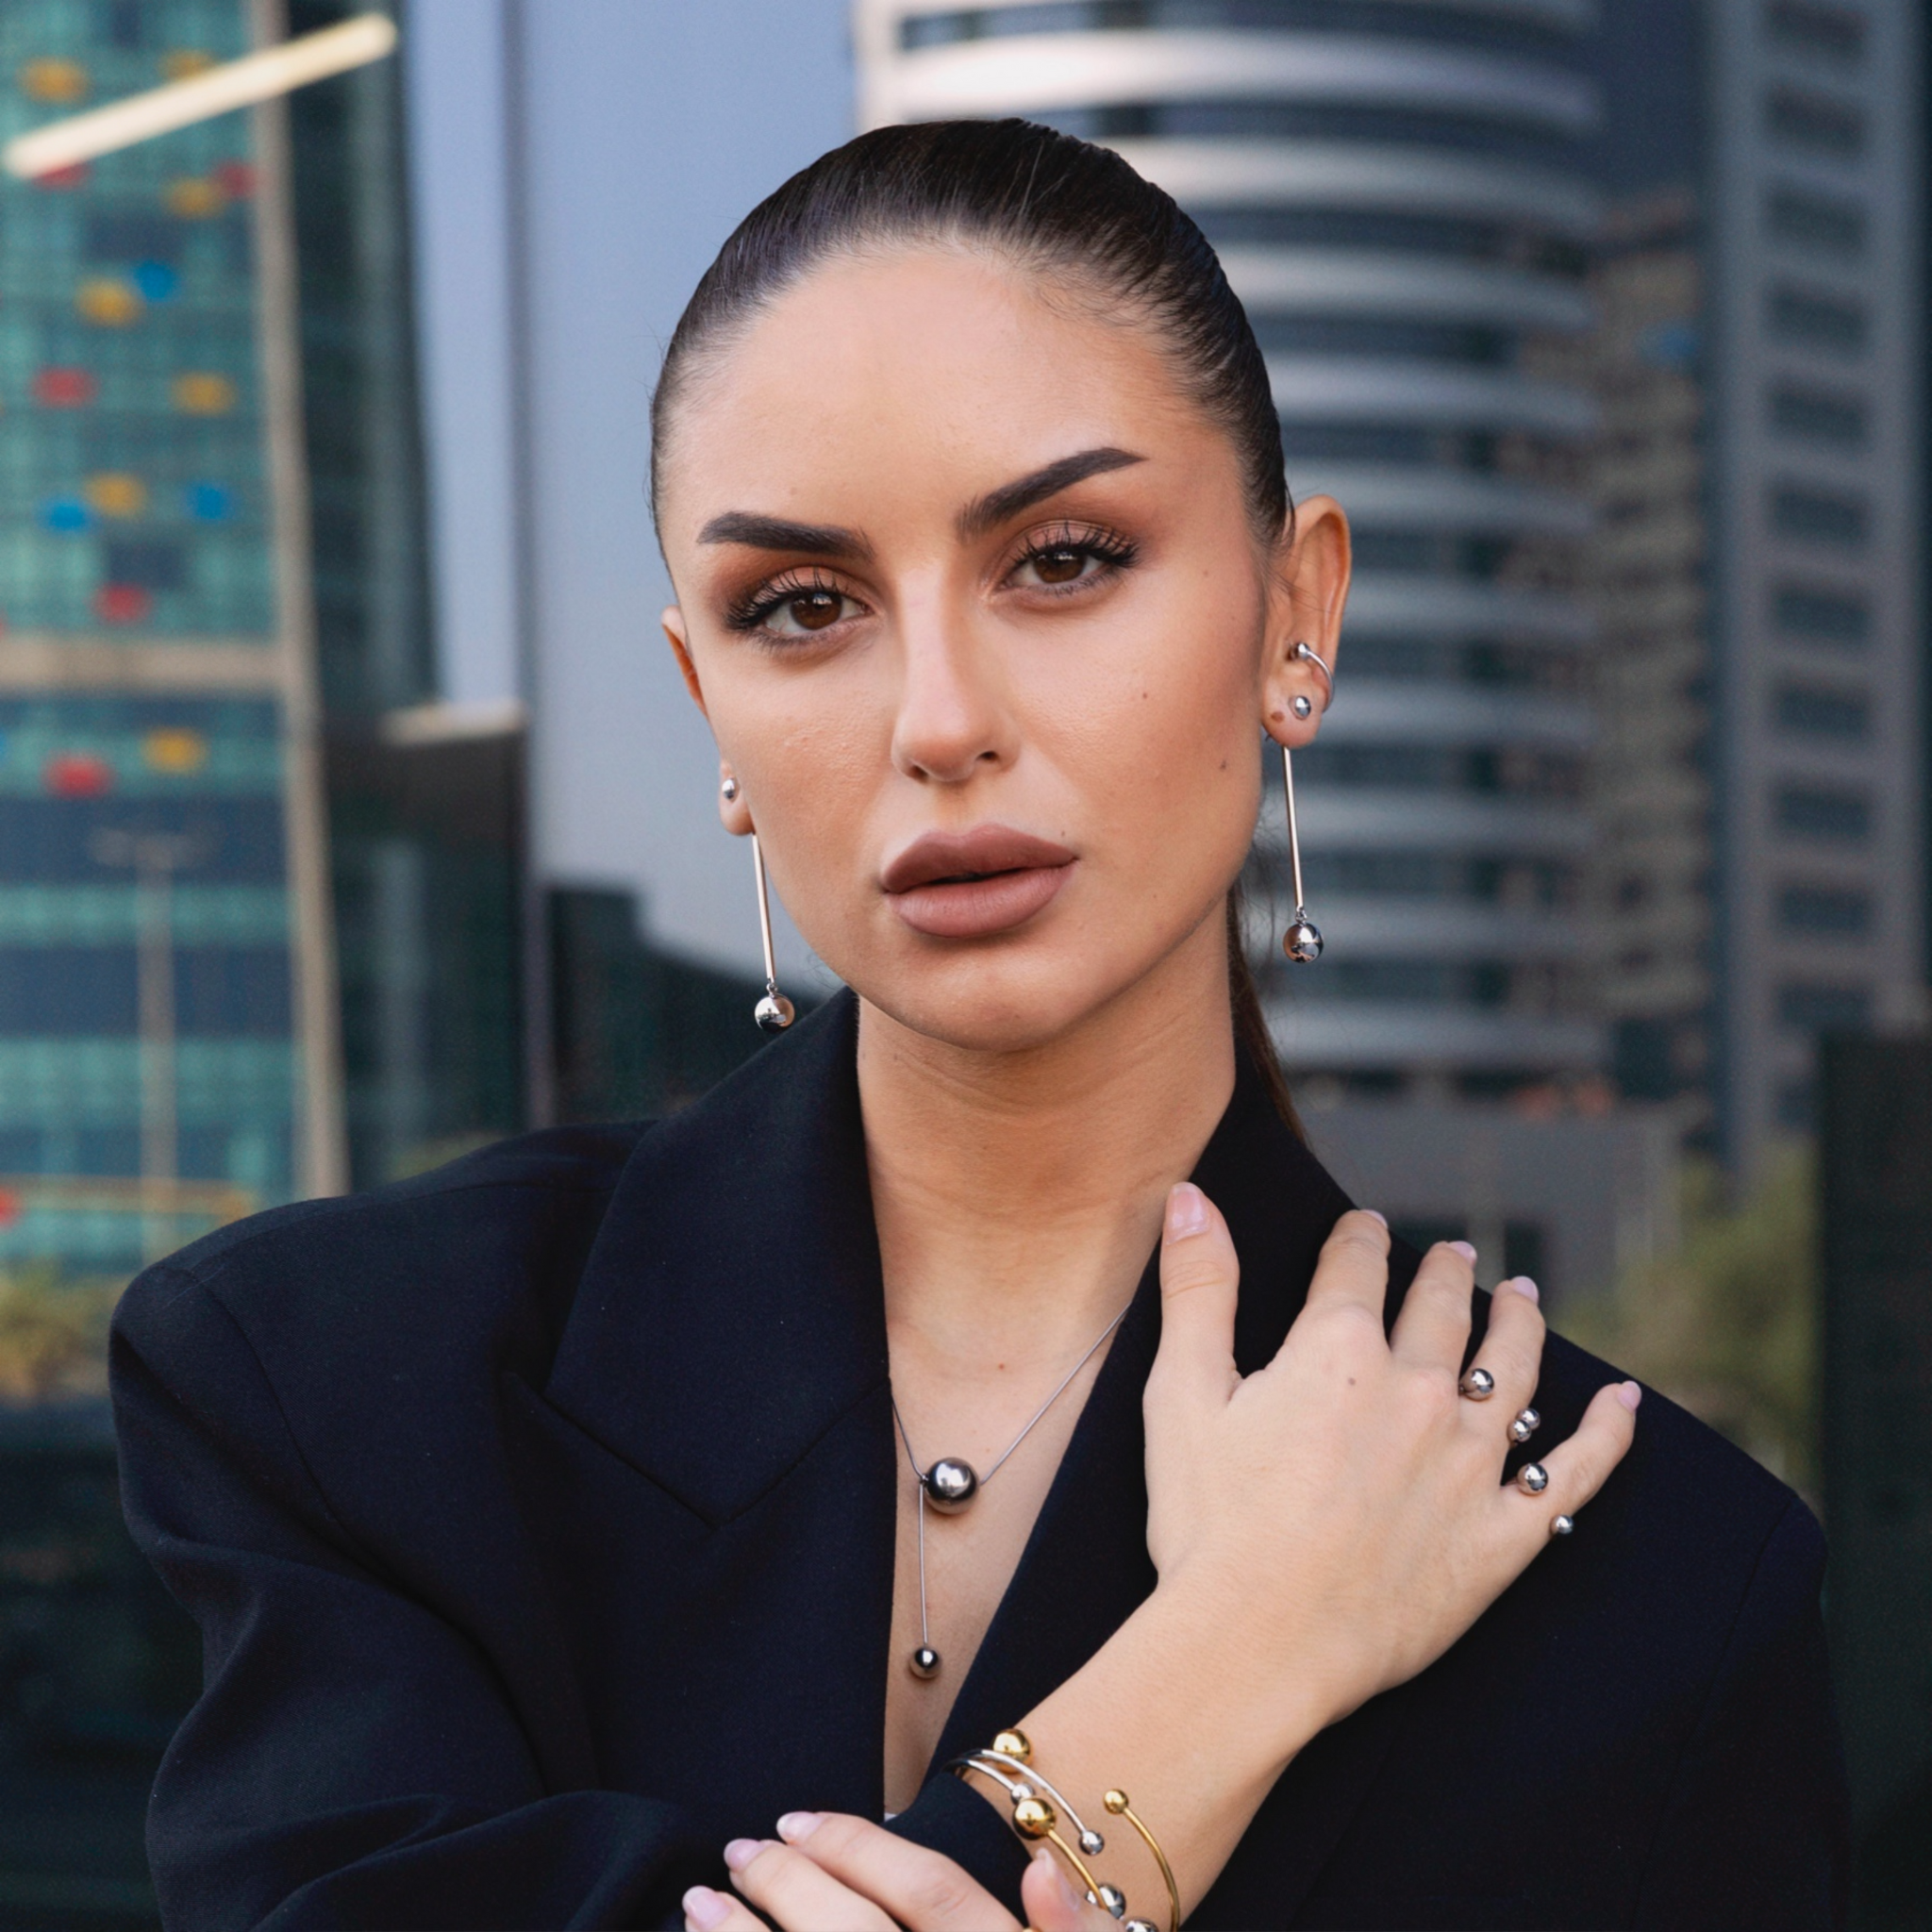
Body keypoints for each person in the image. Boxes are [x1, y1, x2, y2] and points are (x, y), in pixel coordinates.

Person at [111, 121, 1846, 1931]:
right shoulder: (334, 1388)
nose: (940, 718)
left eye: (1065, 557)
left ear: (1295, 615)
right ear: (710, 700)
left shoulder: (1648, 1588)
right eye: (803, 609)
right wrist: (1216, 1684)